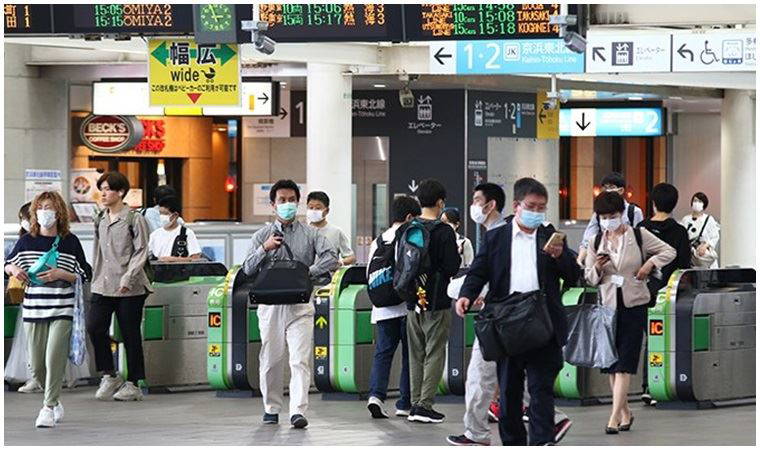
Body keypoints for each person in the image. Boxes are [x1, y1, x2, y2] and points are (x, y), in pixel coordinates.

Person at [456, 178, 581, 446]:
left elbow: (574, 276)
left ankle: (542, 441)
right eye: (531, 206)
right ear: (516, 206)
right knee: (509, 393)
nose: (536, 212)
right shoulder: (496, 238)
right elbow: (479, 271)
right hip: (507, 324)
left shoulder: (550, 237)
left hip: (543, 324)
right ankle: (513, 442)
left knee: (541, 389)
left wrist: (560, 256)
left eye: (541, 207)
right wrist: (466, 294)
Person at [242, 179, 337, 429]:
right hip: (270, 306)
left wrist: (305, 274)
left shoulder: (310, 233)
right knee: (271, 359)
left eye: (292, 200)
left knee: (300, 360)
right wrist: (264, 248)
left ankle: (297, 411)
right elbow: (247, 268)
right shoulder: (261, 235)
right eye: (282, 200)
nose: (287, 204)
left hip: (300, 305)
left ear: (298, 203)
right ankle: (271, 408)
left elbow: (331, 257)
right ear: (273, 205)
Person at [584, 191, 675, 434]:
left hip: (634, 305)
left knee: (624, 364)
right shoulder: (595, 241)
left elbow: (669, 251)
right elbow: (589, 278)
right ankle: (625, 413)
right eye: (603, 217)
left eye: (612, 216)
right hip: (608, 307)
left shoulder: (638, 235)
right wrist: (597, 267)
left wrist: (649, 264)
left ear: (621, 214)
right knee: (611, 365)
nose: (608, 221)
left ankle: (613, 418)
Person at [4, 191, 91, 428]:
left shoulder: (70, 241)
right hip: (33, 309)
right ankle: (53, 398)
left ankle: (48, 407)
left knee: (54, 358)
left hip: (62, 308)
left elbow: (85, 273)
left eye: (49, 207)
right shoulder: (26, 242)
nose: (45, 212)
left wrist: (63, 274)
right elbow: (8, 264)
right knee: (36, 365)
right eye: (40, 207)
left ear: (59, 212)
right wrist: (13, 269)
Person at [86, 171, 152, 402]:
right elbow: (98, 252)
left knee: (130, 334)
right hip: (103, 285)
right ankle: (109, 374)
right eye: (101, 189)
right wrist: (94, 278)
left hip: (130, 288)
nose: (103, 194)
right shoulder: (100, 219)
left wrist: (128, 278)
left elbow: (142, 250)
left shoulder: (134, 219)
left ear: (121, 192)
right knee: (95, 327)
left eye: (108, 189)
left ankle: (133, 383)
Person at [405, 179, 461, 423]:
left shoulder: (408, 228)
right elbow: (451, 267)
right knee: (435, 352)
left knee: (416, 353)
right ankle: (425, 405)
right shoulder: (444, 231)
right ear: (440, 202)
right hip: (436, 299)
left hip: (412, 299)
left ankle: (415, 403)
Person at [365, 195, 420, 419]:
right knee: (409, 355)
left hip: (382, 308)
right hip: (405, 306)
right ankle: (404, 403)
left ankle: (375, 396)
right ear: (409, 217)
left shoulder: (378, 241)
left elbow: (369, 273)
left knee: (383, 353)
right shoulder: (410, 237)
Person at [639, 183, 692, 407]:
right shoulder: (679, 232)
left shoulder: (640, 228)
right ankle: (659, 383)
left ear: (653, 203)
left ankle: (648, 386)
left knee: (649, 338)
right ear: (674, 204)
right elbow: (684, 265)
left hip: (642, 290)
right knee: (663, 340)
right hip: (669, 293)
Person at [577, 172, 644, 266]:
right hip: (604, 260)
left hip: (628, 261)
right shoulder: (599, 213)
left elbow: (640, 239)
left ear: (621, 190)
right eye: (605, 188)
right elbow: (588, 239)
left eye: (611, 187)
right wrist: (580, 259)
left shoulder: (633, 212)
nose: (607, 191)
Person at [306, 191, 356, 268]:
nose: (314, 211)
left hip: (329, 274)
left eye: (318, 208)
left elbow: (351, 258)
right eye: (311, 208)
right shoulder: (303, 232)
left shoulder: (336, 232)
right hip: (305, 274)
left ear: (327, 210)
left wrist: (340, 263)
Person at [148, 196, 202, 262]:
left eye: (165, 214)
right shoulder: (154, 234)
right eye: (160, 214)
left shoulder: (187, 233)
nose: (162, 217)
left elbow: (195, 258)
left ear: (175, 215)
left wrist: (172, 259)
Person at [680, 192, 720, 269]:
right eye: (695, 201)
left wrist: (705, 246)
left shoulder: (709, 219)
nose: (696, 203)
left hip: (704, 257)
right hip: (690, 256)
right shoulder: (686, 219)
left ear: (704, 204)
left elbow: (715, 237)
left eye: (700, 201)